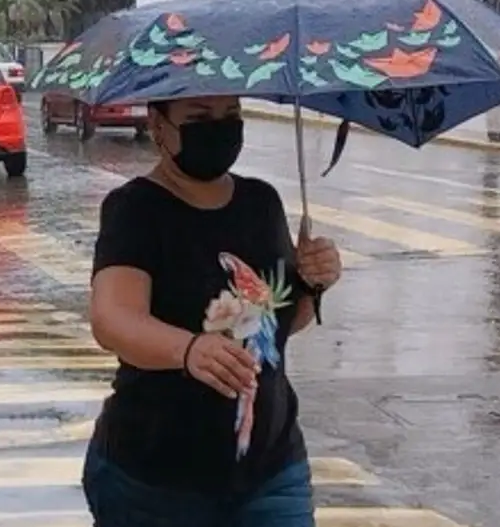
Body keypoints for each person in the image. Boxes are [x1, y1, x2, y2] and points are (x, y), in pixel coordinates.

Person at [84, 95, 343, 527]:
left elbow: (277, 323)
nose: (219, 128)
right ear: (158, 124)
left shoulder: (261, 203)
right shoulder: (136, 210)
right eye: (200, 117)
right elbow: (112, 319)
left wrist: (314, 282)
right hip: (156, 482)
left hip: (271, 471)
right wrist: (188, 350)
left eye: (231, 115)